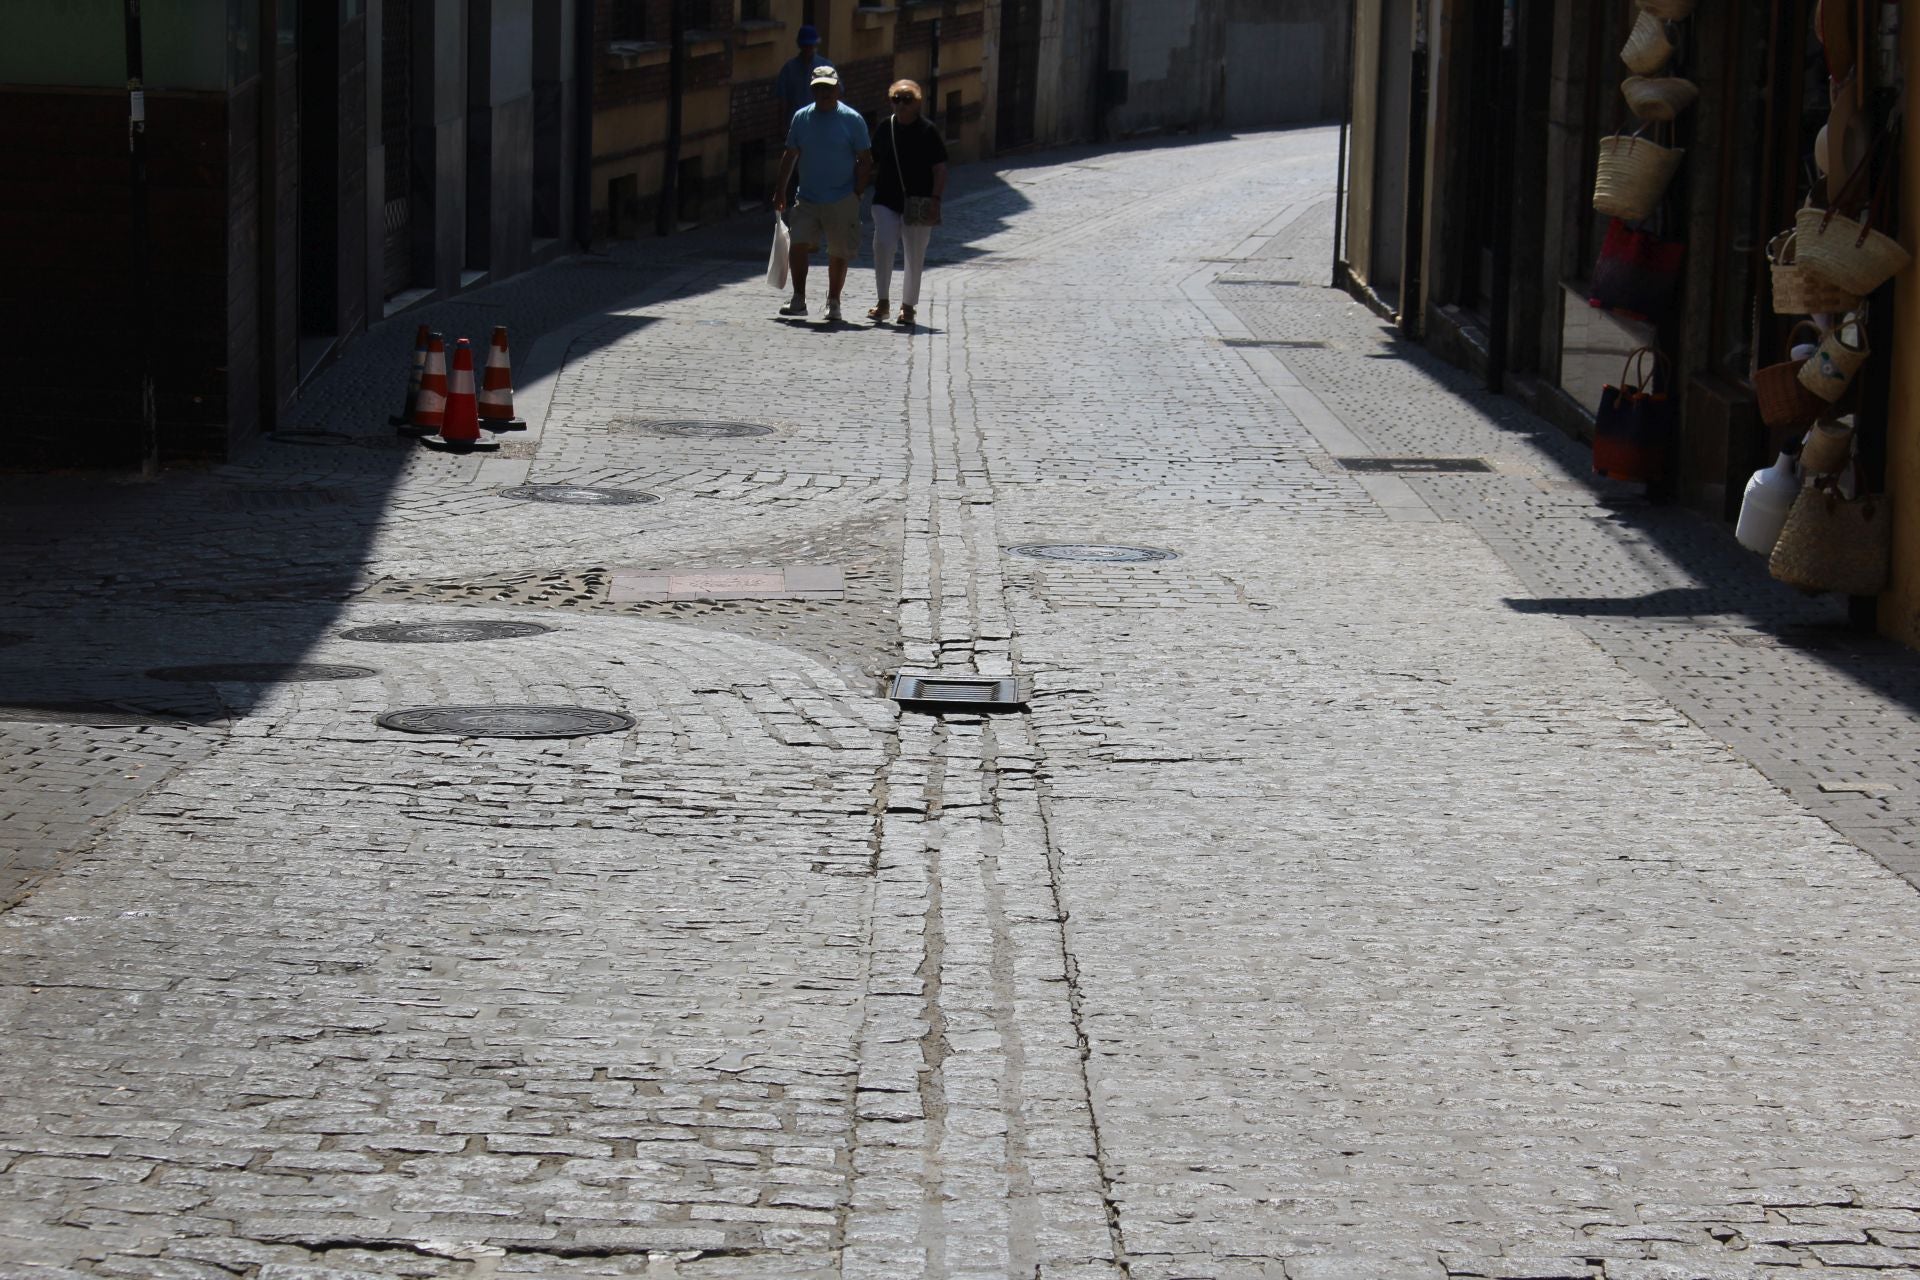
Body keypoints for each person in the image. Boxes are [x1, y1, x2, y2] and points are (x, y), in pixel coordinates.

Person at [771, 65, 872, 323]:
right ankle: (798, 298)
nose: (825, 93)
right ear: (812, 90)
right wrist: (780, 189)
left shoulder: (852, 120)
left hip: (841, 198)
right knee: (798, 244)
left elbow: (865, 159)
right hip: (807, 197)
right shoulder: (801, 118)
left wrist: (857, 193)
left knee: (838, 251)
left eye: (829, 88)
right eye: (819, 88)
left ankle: (834, 301)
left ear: (838, 89)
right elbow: (790, 154)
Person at [867, 79, 948, 328]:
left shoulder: (928, 131)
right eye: (896, 99)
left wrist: (935, 199)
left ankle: (908, 307)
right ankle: (882, 302)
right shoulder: (885, 128)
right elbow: (870, 160)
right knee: (883, 244)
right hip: (885, 198)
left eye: (907, 99)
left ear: (917, 103)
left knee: (914, 253)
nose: (901, 104)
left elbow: (940, 168)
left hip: (919, 201)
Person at [773, 25, 827, 206]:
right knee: (794, 166)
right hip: (796, 126)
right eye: (805, 46)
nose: (808, 50)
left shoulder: (824, 67)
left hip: (820, 125)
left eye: (811, 46)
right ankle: (793, 200)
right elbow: (782, 100)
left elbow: (837, 95)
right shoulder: (789, 69)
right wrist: (781, 125)